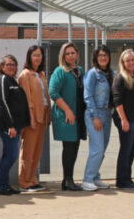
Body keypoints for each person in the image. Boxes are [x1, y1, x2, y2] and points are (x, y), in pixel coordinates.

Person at [0, 55, 30, 195]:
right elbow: (2, 103)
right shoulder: (2, 80)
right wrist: (10, 125)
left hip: (15, 126)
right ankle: (0, 185)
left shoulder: (12, 80)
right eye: (8, 64)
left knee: (9, 155)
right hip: (8, 127)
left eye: (14, 64)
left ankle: (3, 184)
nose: (12, 67)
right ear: (2, 66)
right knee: (12, 155)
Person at [49, 42, 85, 191]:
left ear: (77, 53)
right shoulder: (60, 71)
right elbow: (53, 92)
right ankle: (67, 180)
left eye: (72, 52)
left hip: (78, 115)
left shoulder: (80, 70)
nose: (70, 55)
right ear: (63, 56)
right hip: (66, 115)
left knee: (74, 146)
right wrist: (68, 111)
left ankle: (69, 179)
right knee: (69, 147)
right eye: (67, 53)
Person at [81, 45, 115, 191]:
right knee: (97, 149)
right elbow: (87, 96)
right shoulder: (92, 74)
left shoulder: (111, 73)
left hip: (107, 113)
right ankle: (87, 179)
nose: (103, 57)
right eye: (100, 55)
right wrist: (95, 117)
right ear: (95, 57)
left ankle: (95, 177)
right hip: (94, 114)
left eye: (105, 55)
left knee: (103, 148)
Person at [18, 45, 51, 193]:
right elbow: (27, 100)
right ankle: (25, 182)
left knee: (37, 151)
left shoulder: (41, 74)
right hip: (32, 117)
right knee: (28, 151)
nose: (38, 57)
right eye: (35, 55)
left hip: (42, 116)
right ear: (29, 57)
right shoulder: (25, 75)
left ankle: (33, 180)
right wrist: (30, 118)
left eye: (40, 55)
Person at [113, 49, 134, 189]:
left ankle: (127, 177)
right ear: (123, 63)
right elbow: (117, 101)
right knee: (126, 149)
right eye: (128, 60)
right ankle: (122, 180)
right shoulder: (120, 78)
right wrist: (124, 120)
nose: (131, 63)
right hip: (126, 119)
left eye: (133, 60)